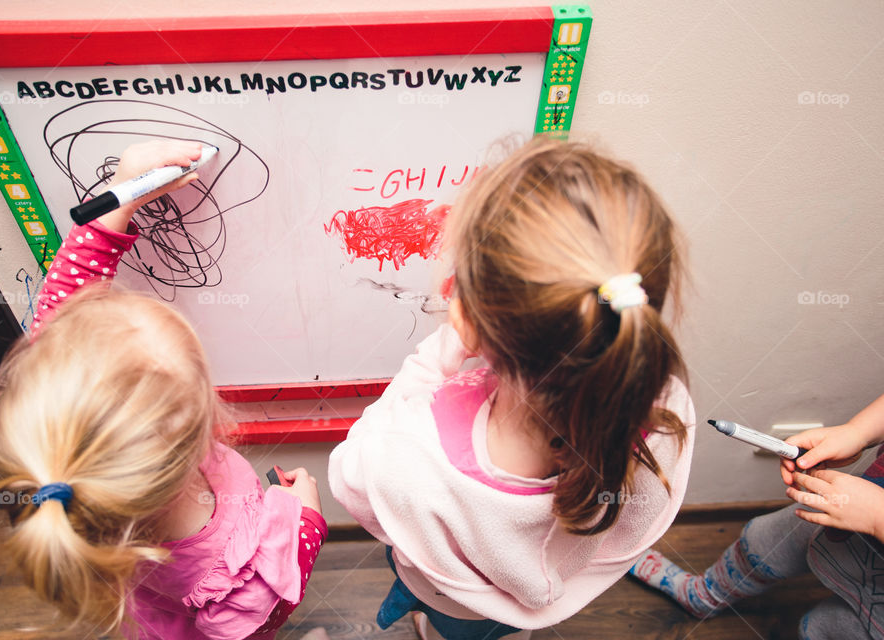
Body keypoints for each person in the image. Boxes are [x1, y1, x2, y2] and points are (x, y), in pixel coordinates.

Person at [328, 135, 697, 639]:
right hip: (541, 599)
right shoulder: (666, 408)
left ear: (473, 322)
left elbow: (352, 470)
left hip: (453, 602)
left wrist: (441, 352)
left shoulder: (409, 451)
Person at [0, 140, 328, 640]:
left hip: (153, 610)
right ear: (199, 425)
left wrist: (121, 195)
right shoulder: (234, 568)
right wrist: (306, 520)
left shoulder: (58, 408)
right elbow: (261, 619)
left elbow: (68, 300)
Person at [629, 394, 884, 639]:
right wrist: (858, 431)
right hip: (849, 504)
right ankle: (705, 595)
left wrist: (876, 515)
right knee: (766, 540)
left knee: (824, 627)